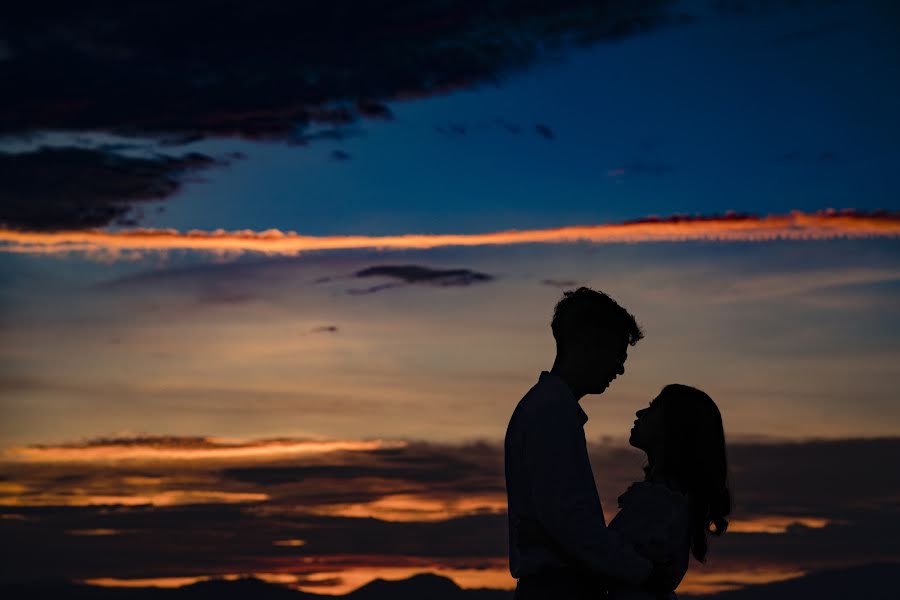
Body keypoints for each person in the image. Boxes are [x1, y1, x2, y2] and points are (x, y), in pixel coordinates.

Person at [505, 287, 666, 599]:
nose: (620, 368)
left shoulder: (548, 409)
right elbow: (568, 519)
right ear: (588, 344)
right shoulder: (551, 412)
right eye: (618, 353)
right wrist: (642, 571)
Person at [607, 384, 732, 599]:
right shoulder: (668, 503)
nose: (640, 412)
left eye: (653, 407)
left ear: (674, 427)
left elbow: (606, 558)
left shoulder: (661, 506)